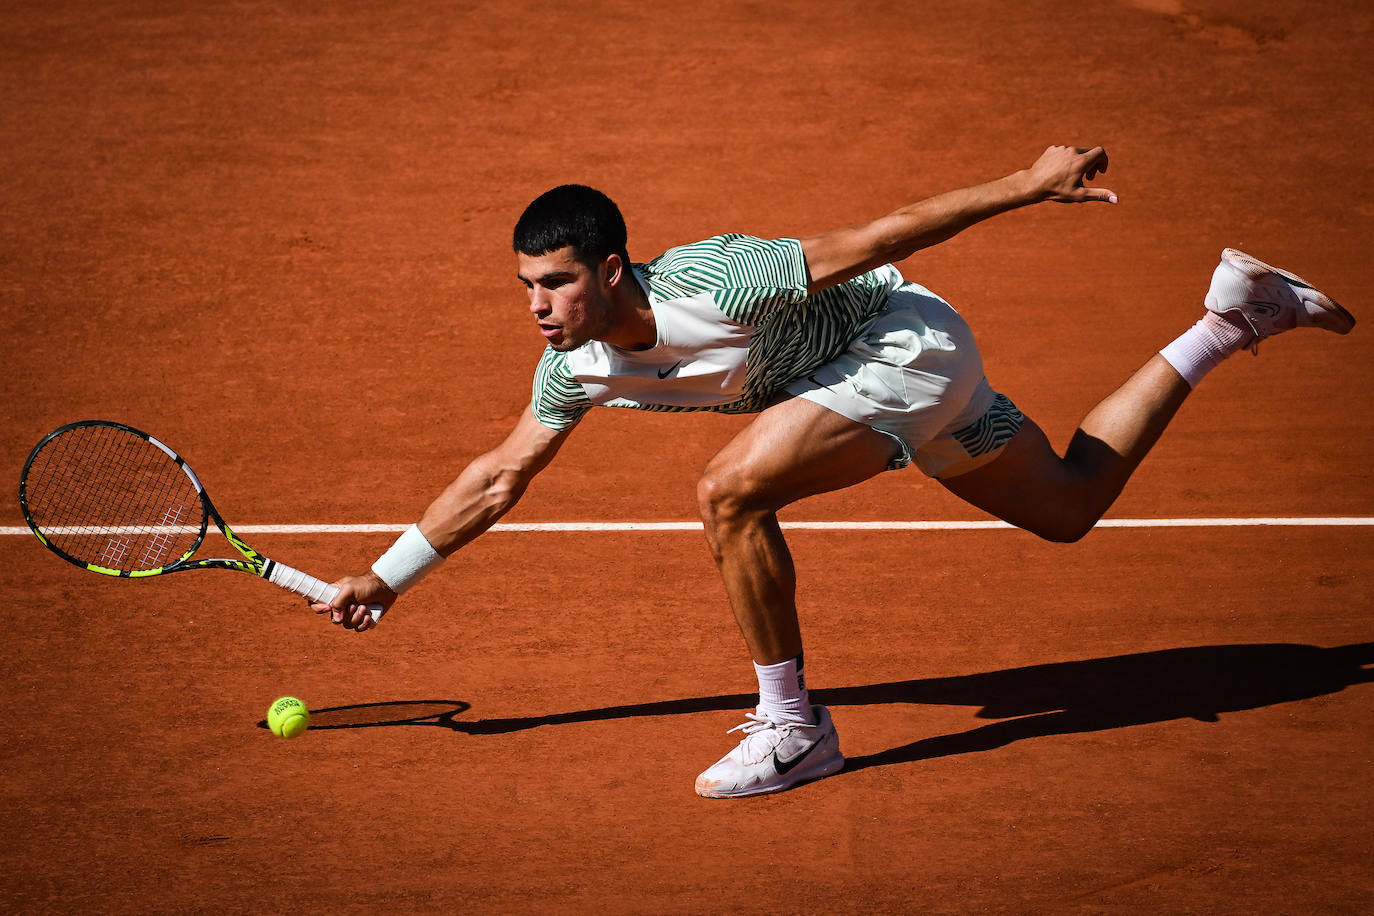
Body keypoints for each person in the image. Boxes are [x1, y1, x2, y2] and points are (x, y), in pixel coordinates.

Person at [313, 145, 1355, 798]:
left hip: (903, 347)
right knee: (1071, 504)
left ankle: (794, 725)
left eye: (555, 282)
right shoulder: (571, 367)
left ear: (611, 269)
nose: (537, 305)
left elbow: (875, 238)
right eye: (525, 286)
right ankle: (1232, 317)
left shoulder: (713, 279)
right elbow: (501, 475)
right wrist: (387, 574)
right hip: (885, 387)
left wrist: (1026, 186)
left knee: (727, 490)